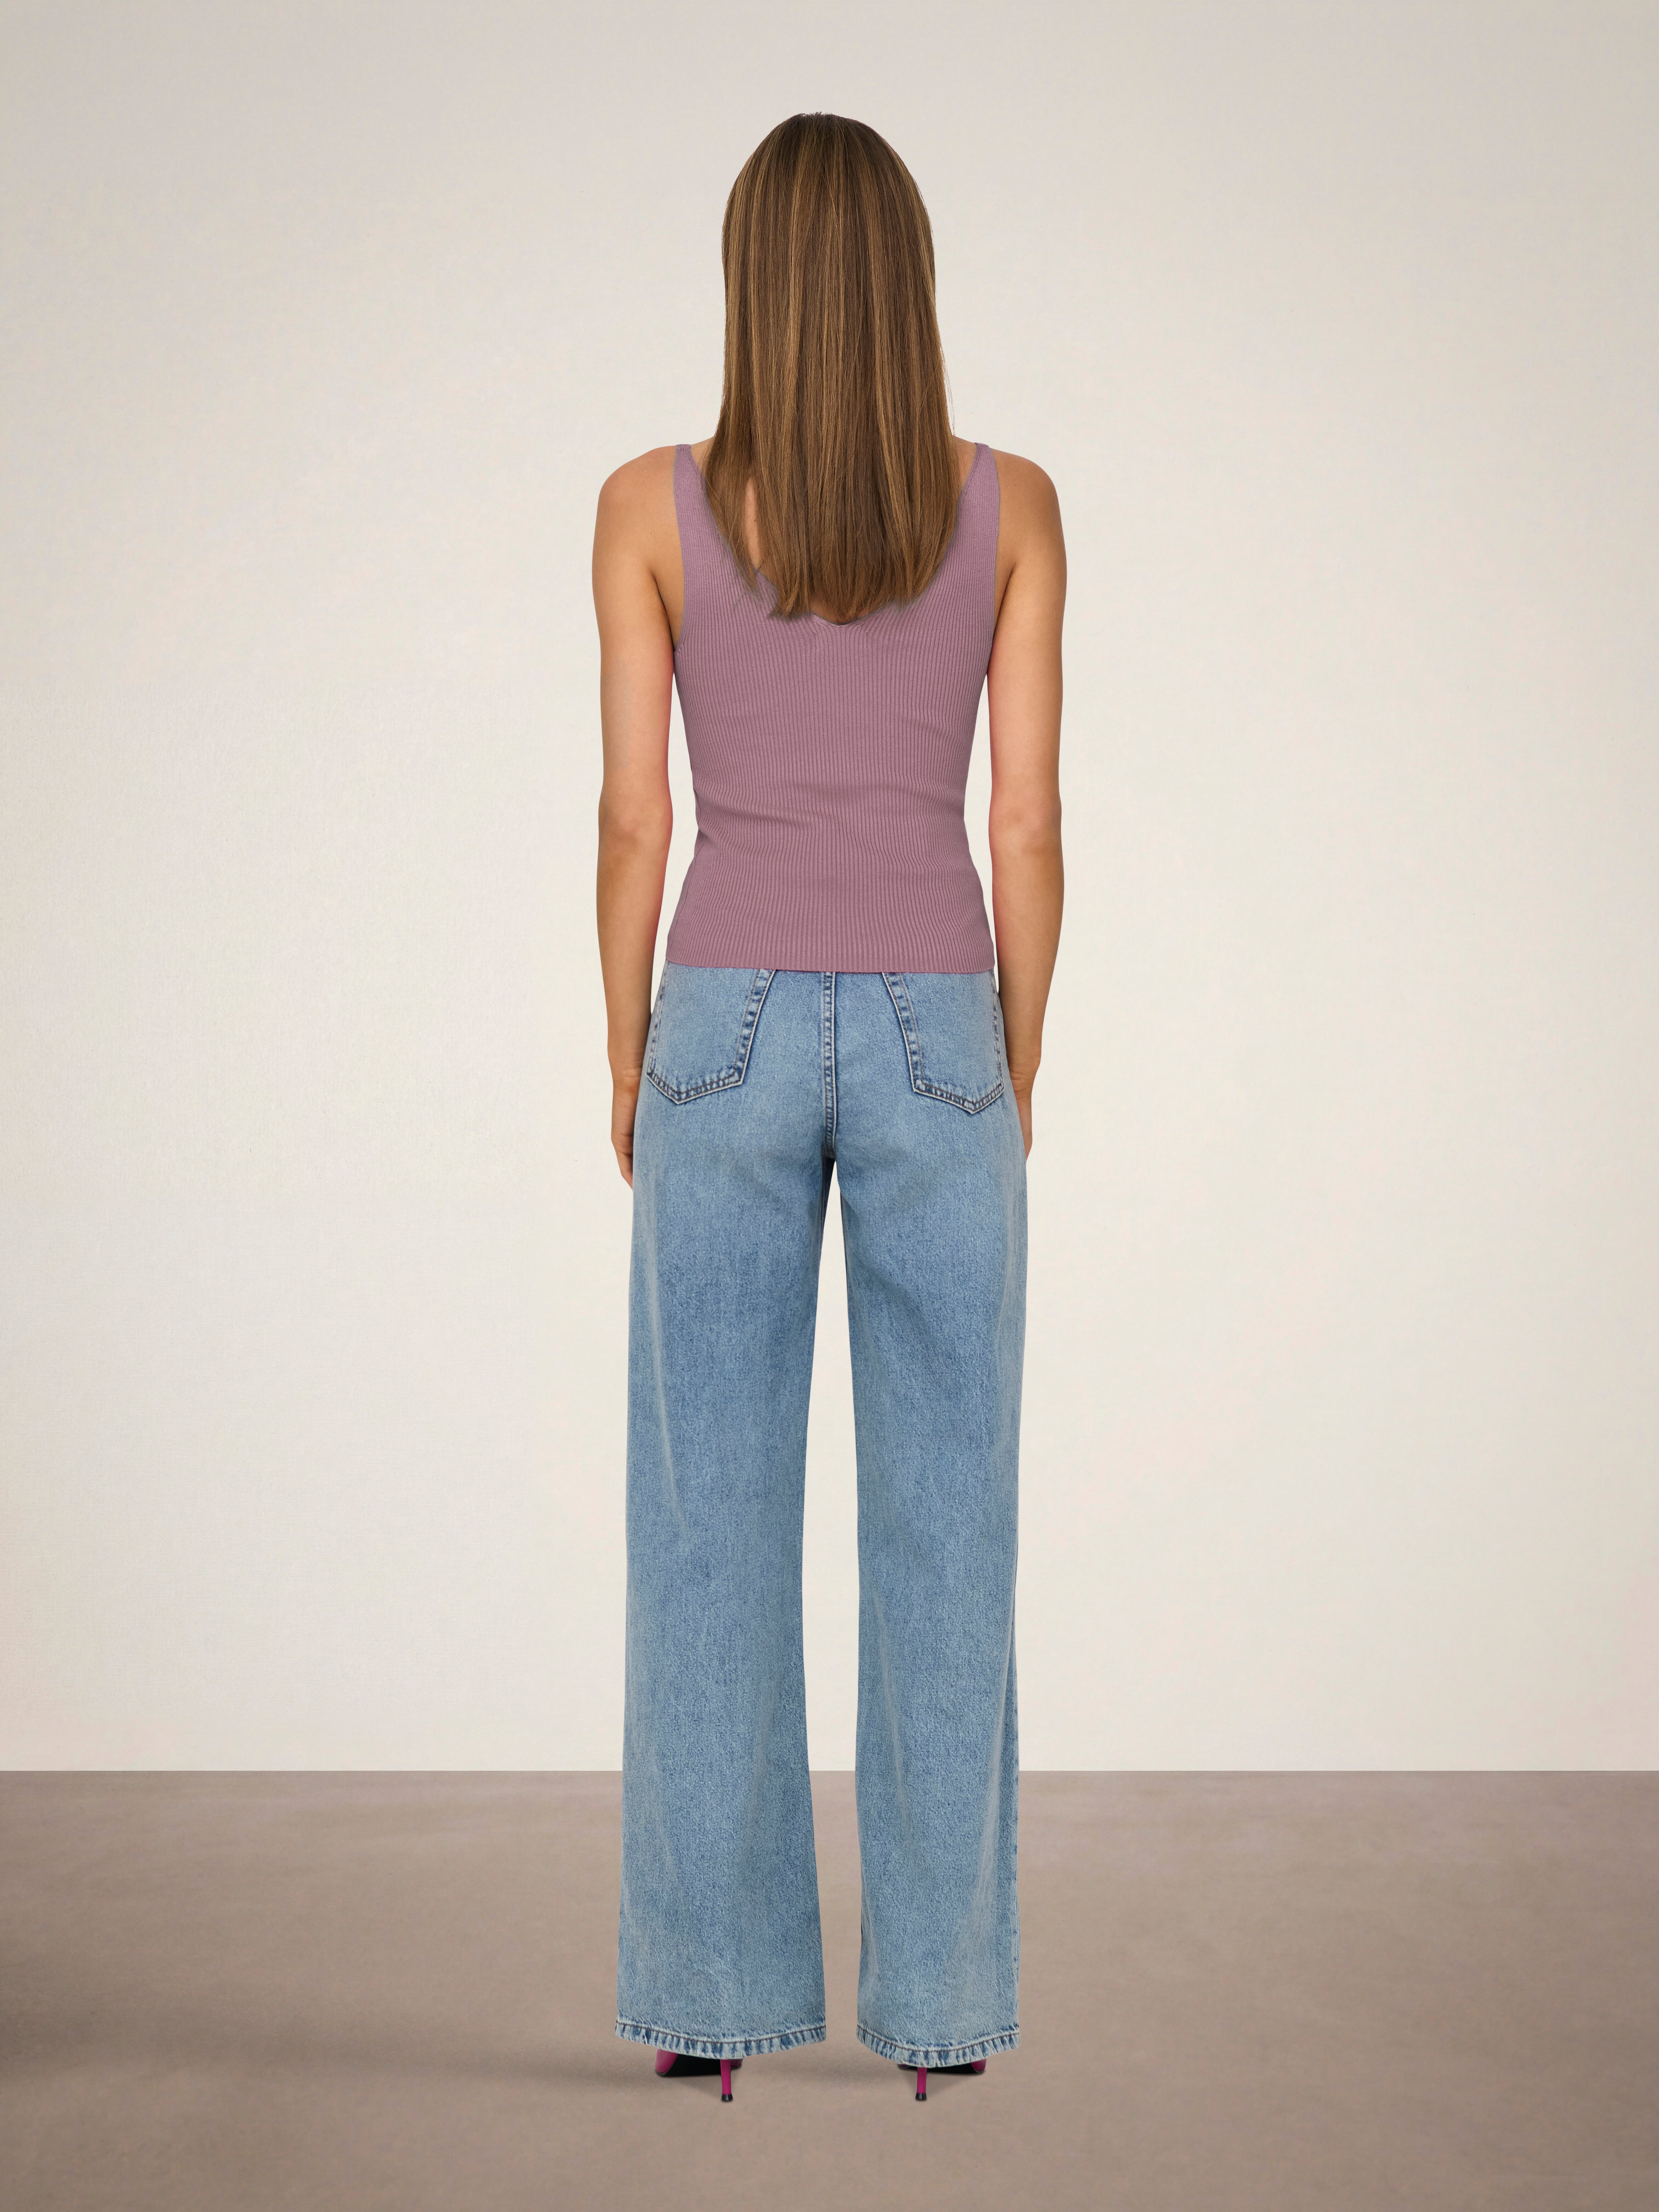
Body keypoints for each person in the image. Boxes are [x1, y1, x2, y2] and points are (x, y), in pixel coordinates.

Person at [592, 111, 1064, 2107]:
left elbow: (638, 817)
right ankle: (940, 2018)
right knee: (950, 1520)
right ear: (909, 282)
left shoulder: (646, 504)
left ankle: (709, 2005)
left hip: (723, 1015)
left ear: (749, 283)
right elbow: (1024, 824)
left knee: (707, 1519)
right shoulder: (1013, 504)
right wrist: (1012, 1055)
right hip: (942, 1013)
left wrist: (630, 1048)